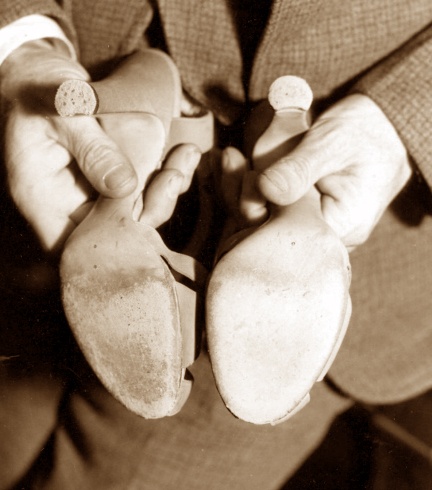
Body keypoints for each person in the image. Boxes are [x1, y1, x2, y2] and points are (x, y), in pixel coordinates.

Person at [0, 1, 431, 488]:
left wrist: (405, 120)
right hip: (55, 146)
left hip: (85, 136)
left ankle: (122, 180)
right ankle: (296, 199)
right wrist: (19, 48)